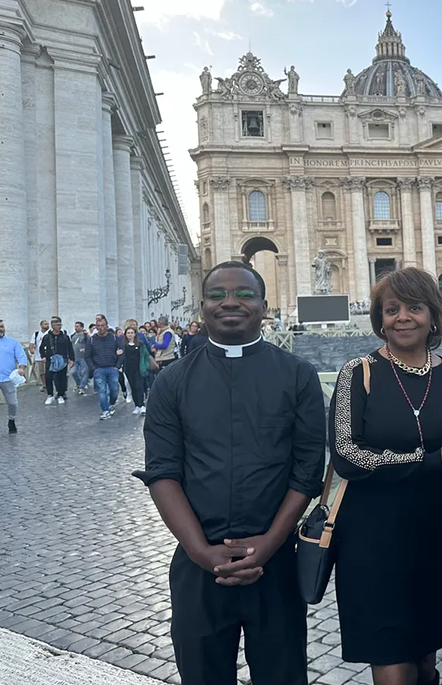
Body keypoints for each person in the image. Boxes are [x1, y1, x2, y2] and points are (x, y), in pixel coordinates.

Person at [137, 261, 326, 685]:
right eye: (218, 294)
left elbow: (307, 472)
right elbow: (162, 473)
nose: (230, 303)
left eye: (243, 294)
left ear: (263, 305)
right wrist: (202, 551)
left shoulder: (298, 375)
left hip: (275, 561)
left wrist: (269, 543)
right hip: (197, 560)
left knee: (283, 674)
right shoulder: (171, 382)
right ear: (203, 307)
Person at [330, 267, 442, 685]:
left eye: (414, 307)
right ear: (380, 319)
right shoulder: (355, 374)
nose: (403, 317)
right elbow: (347, 456)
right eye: (392, 310)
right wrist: (431, 460)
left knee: (427, 662)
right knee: (393, 665)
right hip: (373, 545)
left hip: (436, 537)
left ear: (433, 315)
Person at [85, 314, 123, 420]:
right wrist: (94, 368)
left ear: (106, 326)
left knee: (114, 389)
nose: (101, 328)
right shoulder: (92, 340)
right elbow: (87, 356)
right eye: (99, 326)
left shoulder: (114, 338)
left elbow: (121, 352)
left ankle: (111, 403)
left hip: (112, 368)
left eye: (103, 325)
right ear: (96, 327)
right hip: (99, 369)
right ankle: (105, 410)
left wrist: (117, 366)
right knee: (102, 391)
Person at [0, 319, 28, 433]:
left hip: (8, 378)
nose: (0, 328)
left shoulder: (13, 342)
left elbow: (21, 356)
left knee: (12, 402)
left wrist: (21, 368)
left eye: (2, 326)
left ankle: (11, 420)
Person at [39, 316, 75, 405]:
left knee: (61, 378)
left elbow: (70, 348)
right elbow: (41, 347)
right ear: (53, 326)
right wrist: (43, 356)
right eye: (57, 325)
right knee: (49, 377)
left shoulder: (65, 337)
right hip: (50, 360)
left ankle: (60, 394)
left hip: (62, 360)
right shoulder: (47, 337)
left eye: (60, 325)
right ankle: (50, 394)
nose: (59, 327)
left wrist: (72, 359)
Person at [122, 326, 151, 416]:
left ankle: (142, 405)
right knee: (133, 387)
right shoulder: (123, 345)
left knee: (139, 387)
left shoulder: (140, 344)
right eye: (128, 333)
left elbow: (146, 355)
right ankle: (136, 406)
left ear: (135, 334)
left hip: (139, 369)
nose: (130, 335)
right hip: (128, 369)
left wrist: (146, 367)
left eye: (132, 333)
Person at [29, 319, 49, 391]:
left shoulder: (50, 333)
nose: (47, 325)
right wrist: (31, 349)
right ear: (41, 325)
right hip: (39, 356)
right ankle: (44, 384)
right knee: (41, 372)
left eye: (47, 324)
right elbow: (32, 343)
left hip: (48, 356)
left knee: (48, 371)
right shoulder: (36, 334)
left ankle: (49, 384)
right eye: (45, 324)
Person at [70, 322, 90, 395]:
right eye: (75, 326)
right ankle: (78, 383)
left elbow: (90, 345)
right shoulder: (72, 336)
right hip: (74, 357)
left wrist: (86, 349)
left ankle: (82, 386)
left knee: (84, 373)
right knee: (73, 372)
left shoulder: (86, 336)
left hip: (84, 358)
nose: (76, 328)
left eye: (78, 326)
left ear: (82, 327)